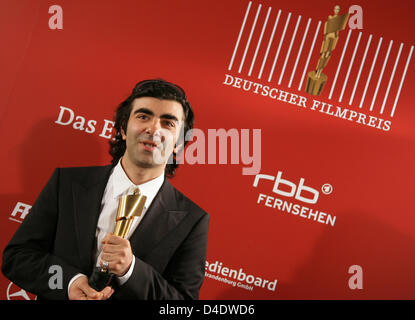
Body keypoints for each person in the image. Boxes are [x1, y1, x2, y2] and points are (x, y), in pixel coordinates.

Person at [2, 79, 209, 300]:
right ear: (122, 128)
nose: (153, 129)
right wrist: (68, 282)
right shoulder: (66, 183)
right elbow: (18, 257)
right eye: (143, 116)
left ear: (179, 143)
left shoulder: (192, 220)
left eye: (168, 123)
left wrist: (131, 269)